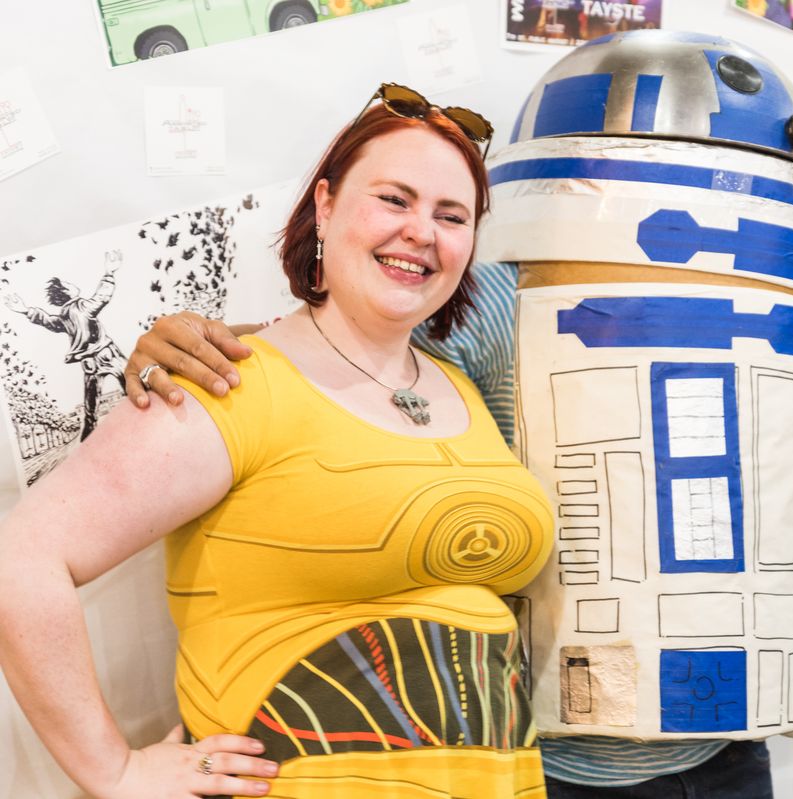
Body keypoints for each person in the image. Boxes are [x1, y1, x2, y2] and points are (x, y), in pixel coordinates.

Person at [126, 163, 793, 796]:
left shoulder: (777, 319)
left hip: (724, 754)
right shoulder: (504, 303)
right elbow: (341, 354)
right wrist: (199, 345)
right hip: (541, 757)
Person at [0, 86, 555, 799]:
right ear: (326, 205)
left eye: (452, 216)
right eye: (395, 199)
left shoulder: (462, 387)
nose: (422, 231)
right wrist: (114, 770)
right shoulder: (226, 381)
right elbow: (22, 558)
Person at [3, 250, 128, 441]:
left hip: (88, 362)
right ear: (67, 292)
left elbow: (48, 321)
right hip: (106, 353)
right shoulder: (81, 306)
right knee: (135, 385)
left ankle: (88, 438)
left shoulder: (64, 315)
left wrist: (26, 310)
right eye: (69, 284)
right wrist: (109, 273)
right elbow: (102, 297)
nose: (73, 284)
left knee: (91, 408)